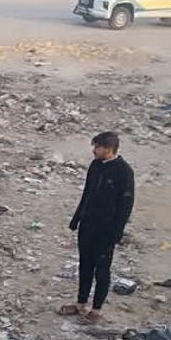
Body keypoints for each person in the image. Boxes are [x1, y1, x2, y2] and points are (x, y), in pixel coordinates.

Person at [62, 131, 136, 324]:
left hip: (106, 229)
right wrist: (76, 219)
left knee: (102, 269)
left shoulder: (124, 172)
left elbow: (126, 205)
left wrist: (116, 233)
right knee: (85, 265)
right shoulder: (95, 165)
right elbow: (87, 194)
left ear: (109, 149)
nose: (94, 150)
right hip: (88, 224)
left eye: (98, 147)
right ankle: (80, 303)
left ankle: (96, 309)